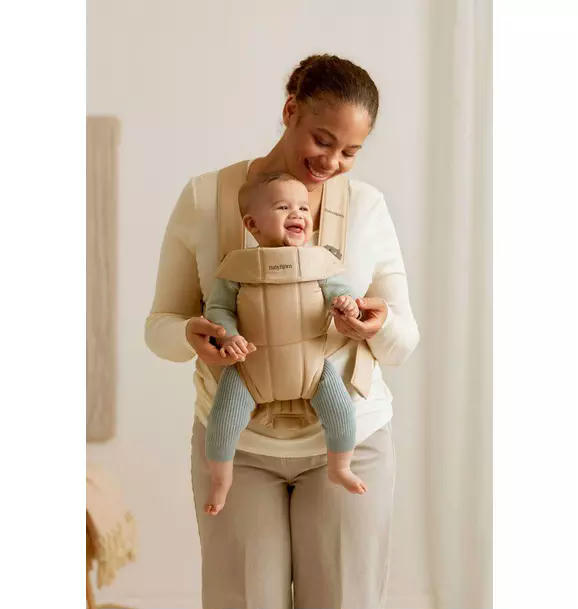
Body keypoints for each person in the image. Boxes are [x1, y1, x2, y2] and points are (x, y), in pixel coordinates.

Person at [145, 54, 420, 609]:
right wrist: (190, 334)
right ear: (290, 110)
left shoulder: (366, 207)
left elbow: (402, 341)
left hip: (351, 436)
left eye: (350, 152)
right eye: (323, 140)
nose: (333, 162)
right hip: (236, 446)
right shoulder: (204, 199)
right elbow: (160, 327)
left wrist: (377, 323)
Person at [203, 171, 368, 515]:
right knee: (221, 422)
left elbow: (340, 292)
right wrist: (228, 335)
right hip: (249, 368)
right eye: (283, 207)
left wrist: (347, 304)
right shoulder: (236, 268)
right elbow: (218, 309)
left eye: (304, 208)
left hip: (313, 368)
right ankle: (221, 480)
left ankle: (340, 466)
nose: (298, 214)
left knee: (342, 413)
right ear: (252, 224)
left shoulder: (319, 263)